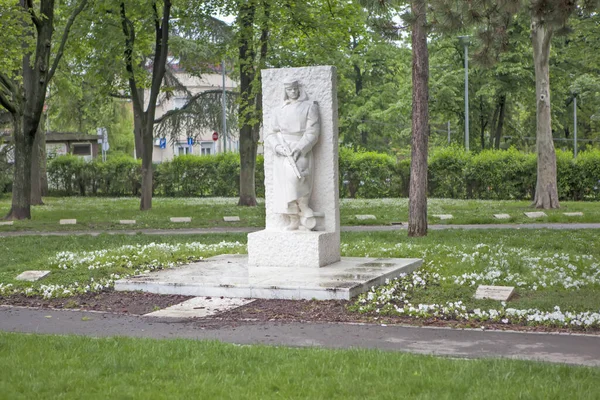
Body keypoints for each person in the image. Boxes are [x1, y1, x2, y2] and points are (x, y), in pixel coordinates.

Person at [265, 80, 320, 230]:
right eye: (290, 89)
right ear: (285, 91)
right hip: (283, 150)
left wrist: (301, 148)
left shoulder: (310, 106)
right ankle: (293, 218)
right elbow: (271, 133)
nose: (293, 92)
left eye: (295, 89)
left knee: (298, 179)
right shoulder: (278, 110)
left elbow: (313, 132)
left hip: (300, 148)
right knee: (284, 186)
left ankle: (304, 209)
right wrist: (278, 147)